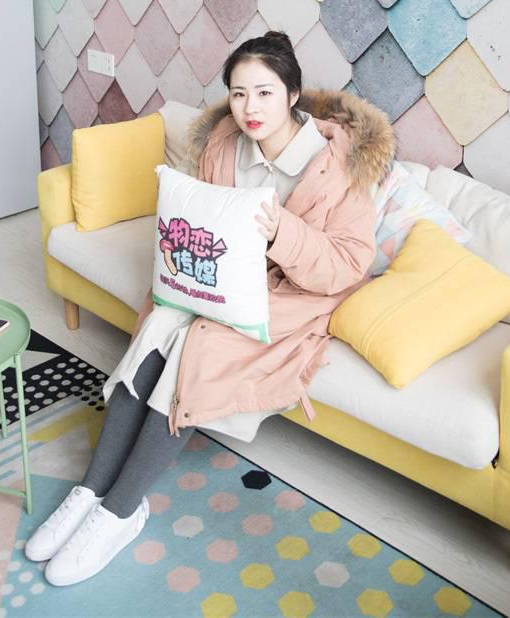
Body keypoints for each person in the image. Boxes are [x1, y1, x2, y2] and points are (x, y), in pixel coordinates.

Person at [25, 30, 395, 586]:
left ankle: (121, 510)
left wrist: (283, 233)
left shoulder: (339, 165)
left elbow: (346, 264)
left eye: (265, 93)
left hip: (292, 296)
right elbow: (200, 216)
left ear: (293, 94)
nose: (250, 108)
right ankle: (91, 489)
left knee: (199, 346)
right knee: (161, 323)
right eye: (239, 93)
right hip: (216, 278)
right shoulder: (224, 142)